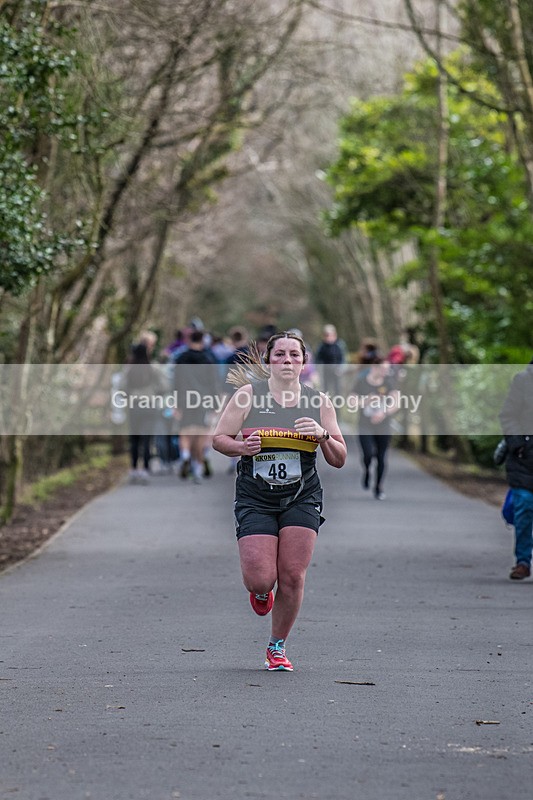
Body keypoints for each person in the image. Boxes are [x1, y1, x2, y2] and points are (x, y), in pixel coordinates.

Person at [212, 331, 346, 671]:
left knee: (292, 576)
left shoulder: (319, 401)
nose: (287, 361)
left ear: (304, 362)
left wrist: (323, 435)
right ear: (269, 360)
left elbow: (339, 458)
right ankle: (259, 592)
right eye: (280, 355)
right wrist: (241, 448)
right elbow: (219, 439)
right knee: (261, 578)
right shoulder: (248, 396)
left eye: (294, 355)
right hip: (255, 496)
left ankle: (277, 646)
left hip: (302, 495)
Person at [499, 357, 533, 580]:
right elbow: (508, 415)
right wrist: (517, 443)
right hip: (524, 458)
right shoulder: (523, 380)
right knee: (524, 510)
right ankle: (522, 561)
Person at [173, 329, 220, 483]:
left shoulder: (181, 358)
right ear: (202, 341)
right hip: (203, 399)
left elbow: (175, 381)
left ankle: (185, 456)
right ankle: (198, 467)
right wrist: (215, 404)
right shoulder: (208, 359)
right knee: (200, 433)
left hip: (184, 399)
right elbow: (213, 383)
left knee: (184, 432)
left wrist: (175, 403)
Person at [351, 357, 399, 500]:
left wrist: (384, 413)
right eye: (383, 369)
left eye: (387, 369)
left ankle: (378, 487)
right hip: (365, 424)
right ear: (374, 367)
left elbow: (396, 403)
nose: (386, 372)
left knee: (381, 457)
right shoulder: (362, 382)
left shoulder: (389, 383)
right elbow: (351, 402)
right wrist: (365, 400)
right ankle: (366, 470)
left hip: (383, 425)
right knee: (368, 454)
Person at [315, 324, 345, 397]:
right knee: (326, 389)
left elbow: (343, 358)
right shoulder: (322, 346)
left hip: (337, 371)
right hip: (326, 371)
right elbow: (318, 359)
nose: (328, 337)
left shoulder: (339, 344)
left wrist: (341, 369)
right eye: (326, 335)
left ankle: (337, 407)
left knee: (337, 390)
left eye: (329, 334)